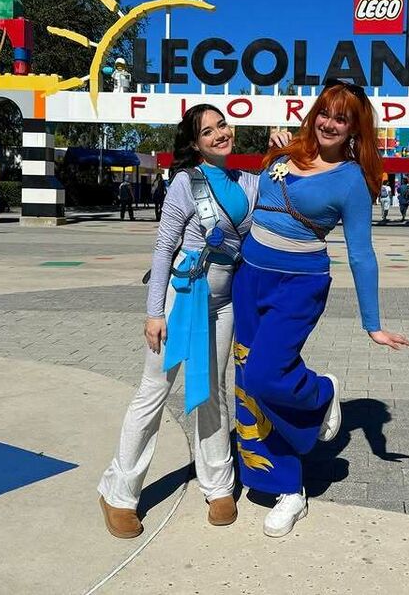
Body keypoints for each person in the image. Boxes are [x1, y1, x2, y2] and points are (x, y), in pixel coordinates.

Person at [98, 104, 289, 538]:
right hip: (181, 298)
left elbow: (286, 188)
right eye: (208, 131)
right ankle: (119, 492)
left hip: (224, 303)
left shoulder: (250, 182)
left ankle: (219, 484)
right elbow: (164, 248)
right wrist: (153, 313)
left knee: (213, 390)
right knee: (154, 391)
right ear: (196, 143)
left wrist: (283, 150)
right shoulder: (186, 182)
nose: (220, 133)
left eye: (222, 125)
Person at [232, 79, 409, 539]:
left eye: (342, 119)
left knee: (265, 375)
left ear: (355, 129)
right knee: (248, 385)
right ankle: (284, 485)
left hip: (299, 285)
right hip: (249, 277)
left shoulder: (352, 180)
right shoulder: (284, 151)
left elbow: (361, 254)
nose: (330, 124)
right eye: (325, 113)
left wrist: (372, 324)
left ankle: (321, 392)